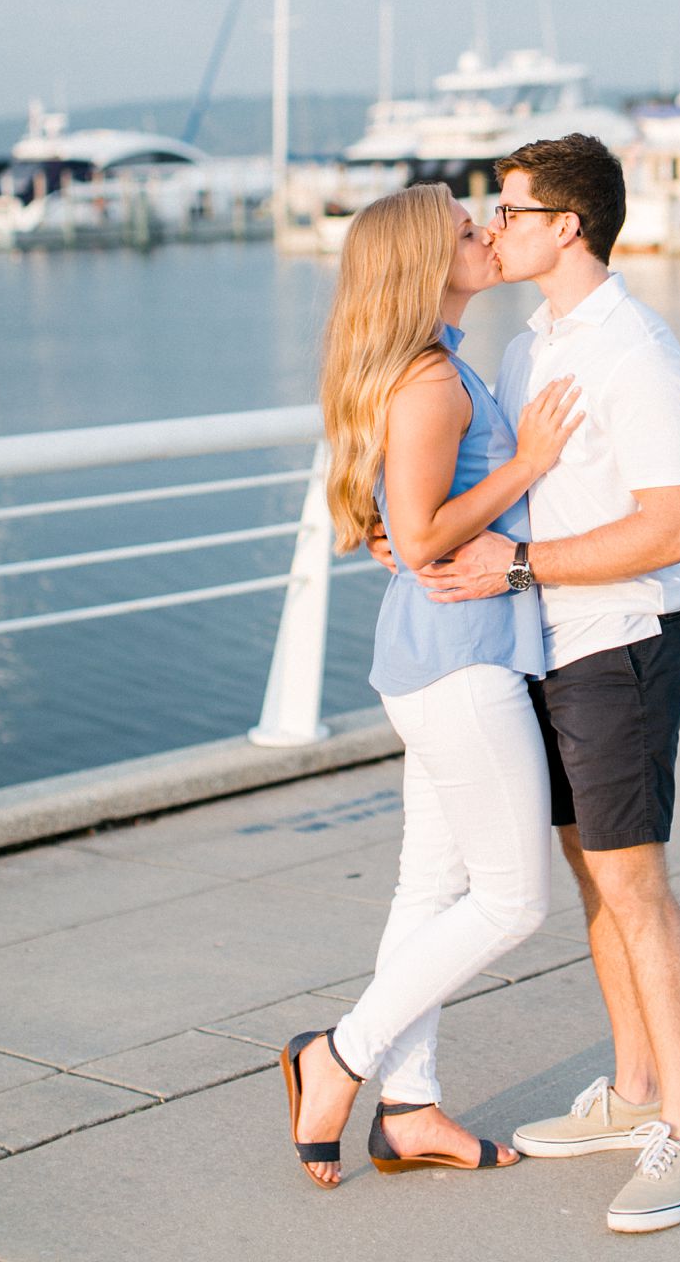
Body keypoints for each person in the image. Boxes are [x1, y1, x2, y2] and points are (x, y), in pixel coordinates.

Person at [415, 133, 680, 1235]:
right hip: (546, 644)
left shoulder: (634, 352)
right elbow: (500, 492)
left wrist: (524, 564)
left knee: (635, 886)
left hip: (620, 644)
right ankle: (631, 1088)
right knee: (595, 880)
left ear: (567, 228)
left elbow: (670, 525)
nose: (492, 228)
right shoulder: (528, 347)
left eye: (509, 210)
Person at [280, 181, 581, 1190]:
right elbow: (418, 536)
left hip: (438, 654)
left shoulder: (441, 365)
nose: (484, 236)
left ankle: (408, 1111)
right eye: (465, 231)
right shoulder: (432, 382)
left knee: (431, 888)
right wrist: (530, 461)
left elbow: (400, 527)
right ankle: (343, 1057)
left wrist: (417, 527)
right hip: (460, 663)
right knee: (511, 904)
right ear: (424, 264)